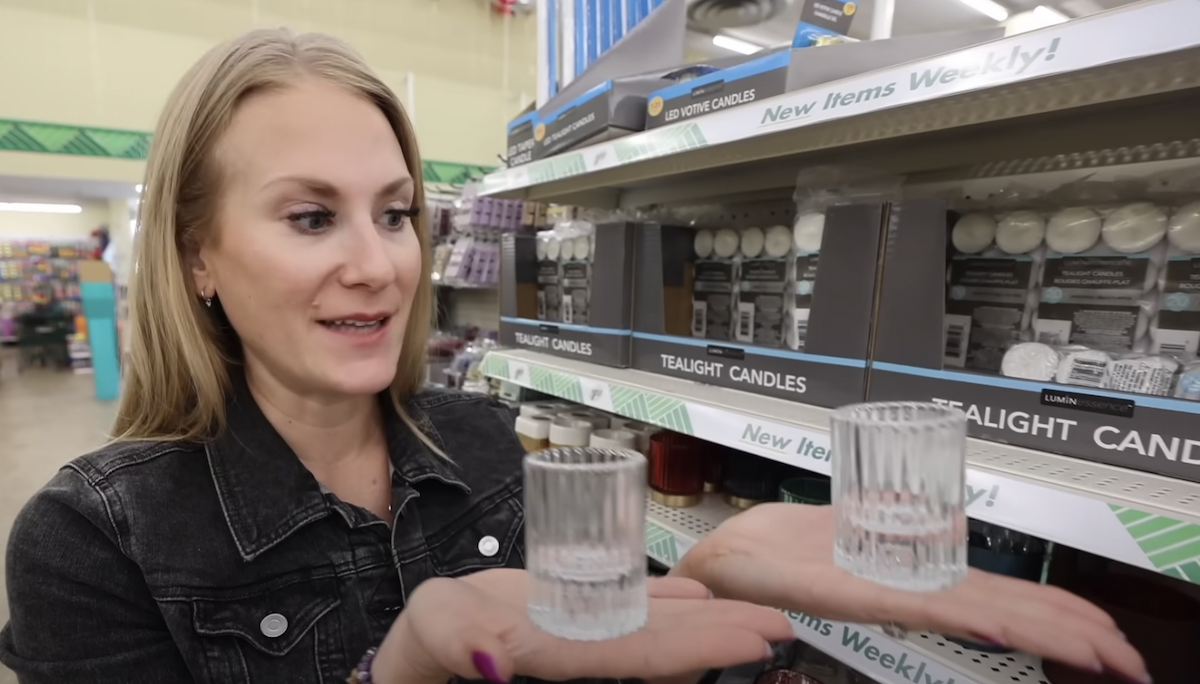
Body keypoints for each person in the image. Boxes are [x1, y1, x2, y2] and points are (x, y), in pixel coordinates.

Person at [0, 28, 1147, 684]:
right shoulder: (93, 541)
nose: (379, 266)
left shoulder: (487, 444)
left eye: (396, 213)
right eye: (312, 218)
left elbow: (607, 643)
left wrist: (711, 565)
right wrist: (403, 673)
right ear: (198, 254)